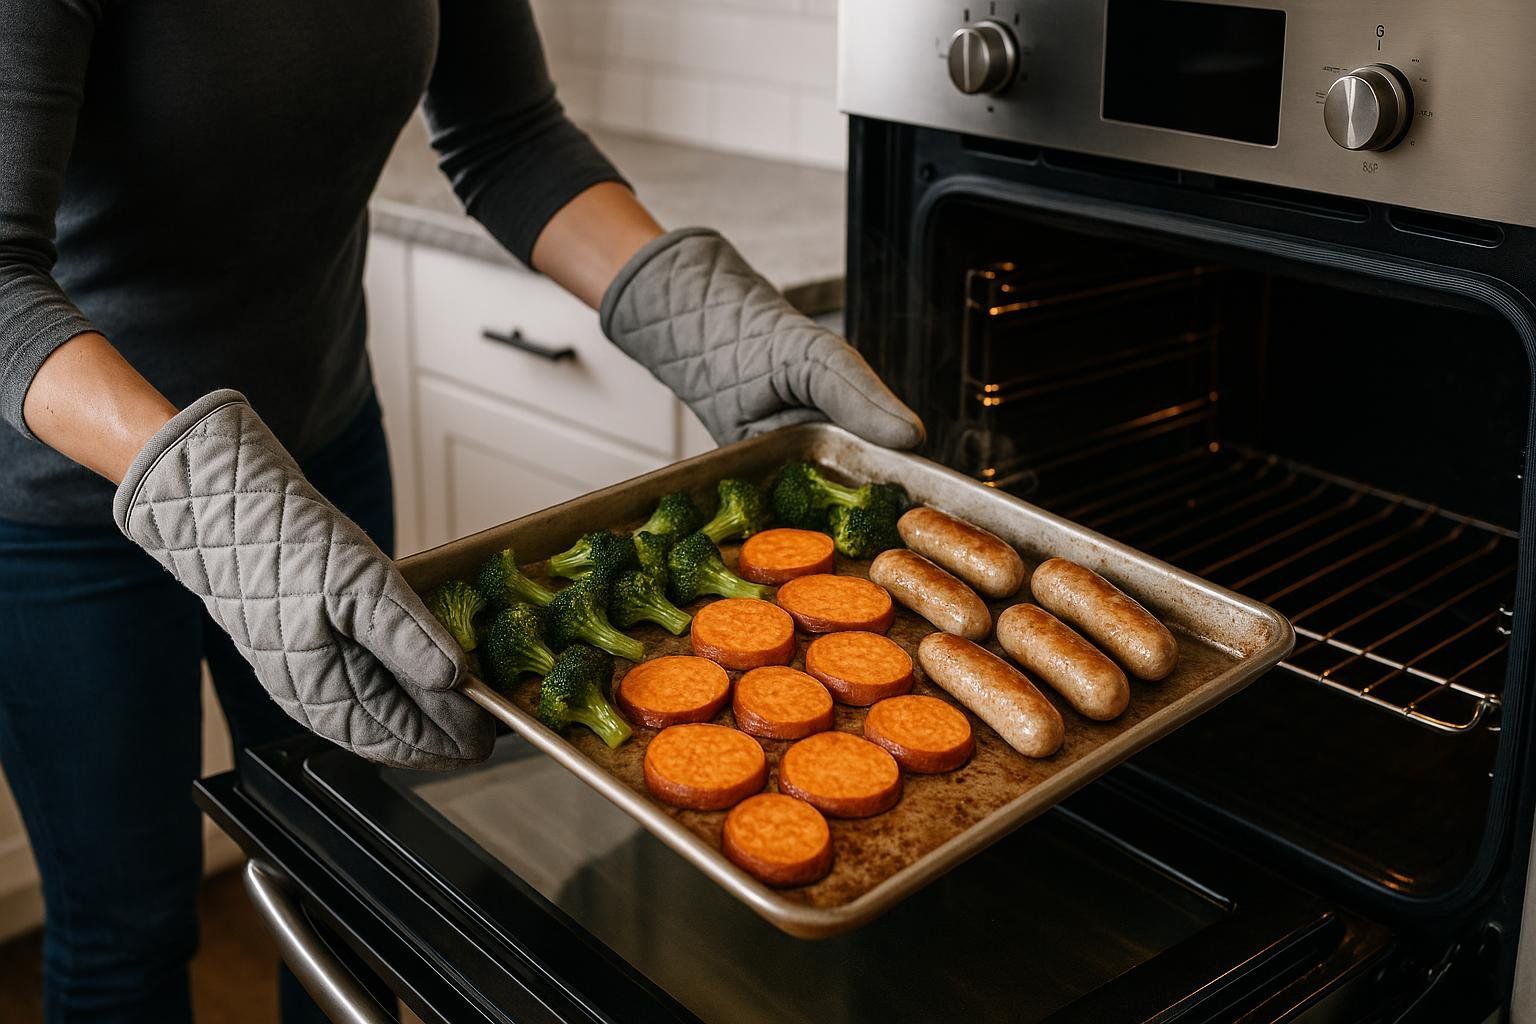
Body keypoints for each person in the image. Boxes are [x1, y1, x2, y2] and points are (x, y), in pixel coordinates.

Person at [0, 2, 923, 1021]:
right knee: (125, 923)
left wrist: (700, 318)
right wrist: (218, 506)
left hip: (319, 449)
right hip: (56, 506)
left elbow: (508, 134)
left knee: (347, 876)